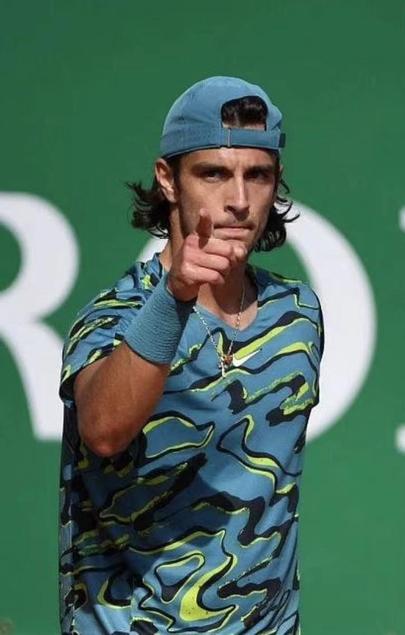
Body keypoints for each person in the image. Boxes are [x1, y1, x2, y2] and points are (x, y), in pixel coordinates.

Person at [58, 76, 324, 635]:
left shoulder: (296, 312)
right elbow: (102, 431)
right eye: (213, 174)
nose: (239, 200)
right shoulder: (118, 314)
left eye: (258, 175)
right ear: (168, 180)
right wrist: (176, 297)